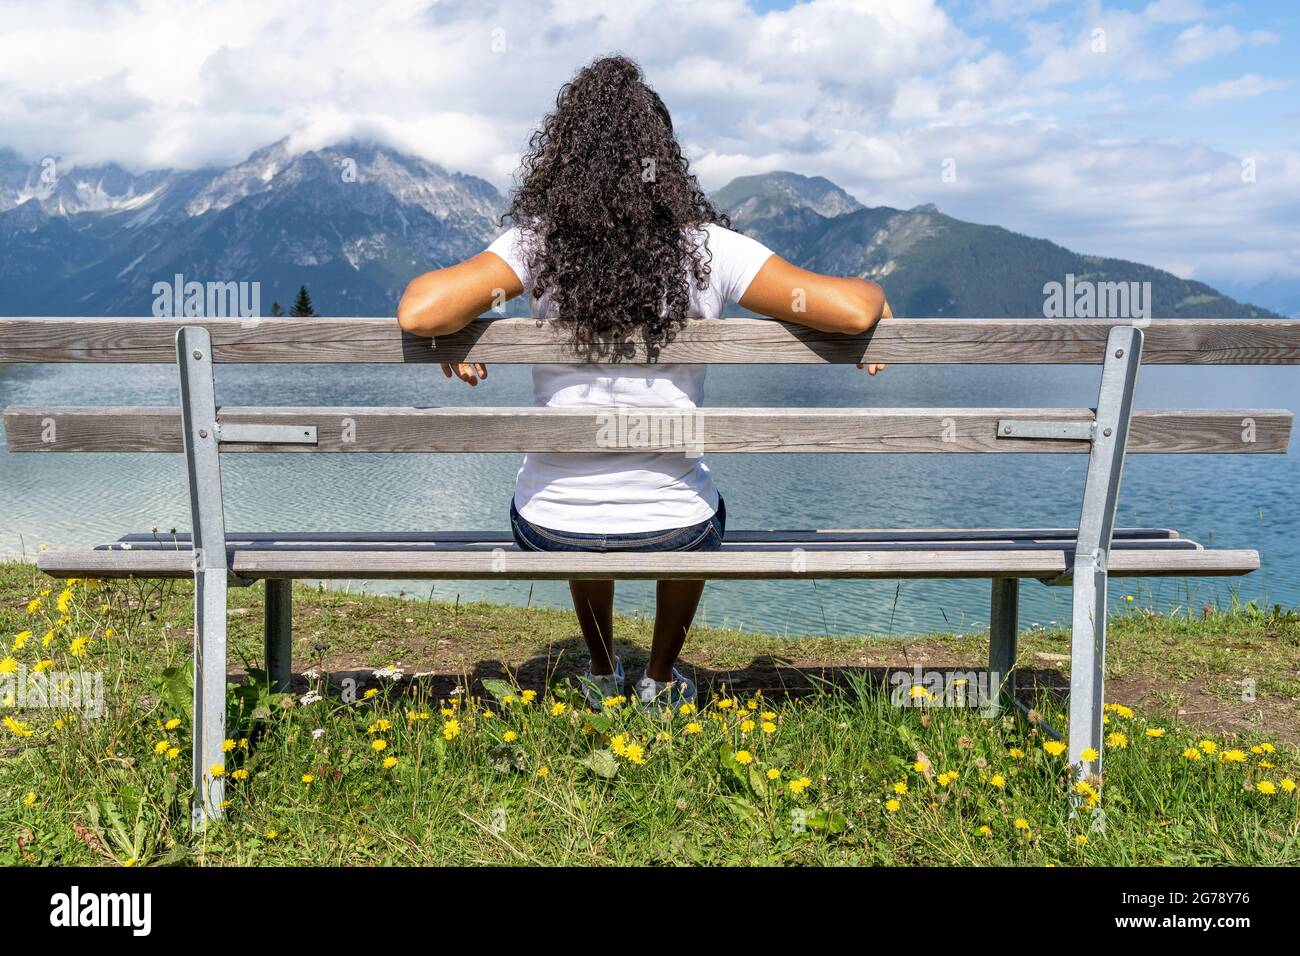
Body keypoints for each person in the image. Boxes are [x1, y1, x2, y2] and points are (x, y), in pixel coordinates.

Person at [398, 54, 890, 709]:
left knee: (570, 485)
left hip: (550, 525)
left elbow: (419, 309)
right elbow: (850, 309)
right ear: (664, 159)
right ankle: (659, 679)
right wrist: (876, 297)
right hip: (678, 527)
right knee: (695, 499)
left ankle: (603, 672)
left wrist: (454, 330)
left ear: (567, 159)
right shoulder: (709, 248)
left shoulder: (536, 246)